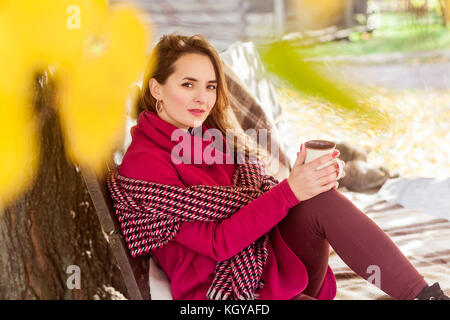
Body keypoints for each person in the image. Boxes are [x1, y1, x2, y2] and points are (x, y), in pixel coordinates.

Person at [116, 34, 449, 300]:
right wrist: (291, 191)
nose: (203, 98)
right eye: (188, 84)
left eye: (211, 86)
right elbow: (219, 244)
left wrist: (308, 183)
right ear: (156, 88)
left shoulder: (211, 139)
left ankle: (425, 297)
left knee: (319, 201)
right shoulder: (145, 164)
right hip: (225, 289)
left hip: (268, 263)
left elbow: (260, 203)